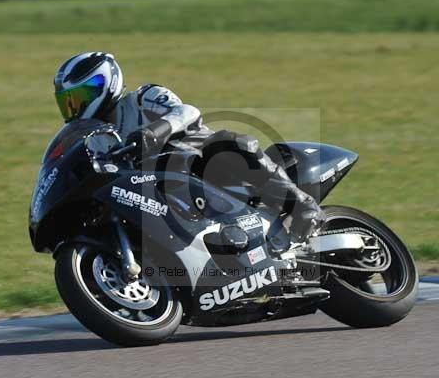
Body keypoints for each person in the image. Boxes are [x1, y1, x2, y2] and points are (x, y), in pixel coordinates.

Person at [53, 51, 324, 242]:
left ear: (105, 84)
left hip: (198, 162)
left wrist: (152, 132)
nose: (75, 107)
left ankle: (302, 205)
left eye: (80, 97)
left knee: (228, 144)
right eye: (68, 101)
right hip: (152, 188)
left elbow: (187, 112)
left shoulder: (143, 97)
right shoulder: (99, 137)